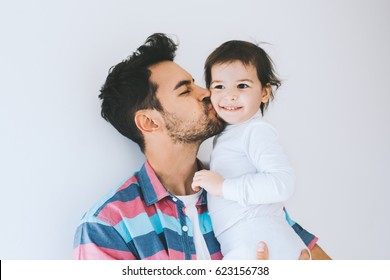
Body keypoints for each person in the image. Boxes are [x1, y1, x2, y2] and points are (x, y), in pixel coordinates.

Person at [73, 33, 329, 260]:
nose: (207, 92)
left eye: (196, 82)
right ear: (149, 121)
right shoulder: (108, 226)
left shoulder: (242, 186)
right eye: (185, 91)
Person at [192, 40, 311, 259]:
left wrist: (225, 187)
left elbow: (282, 183)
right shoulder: (230, 133)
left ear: (264, 93)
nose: (230, 95)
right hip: (246, 239)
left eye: (242, 86)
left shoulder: (256, 131)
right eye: (219, 86)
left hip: (259, 240)